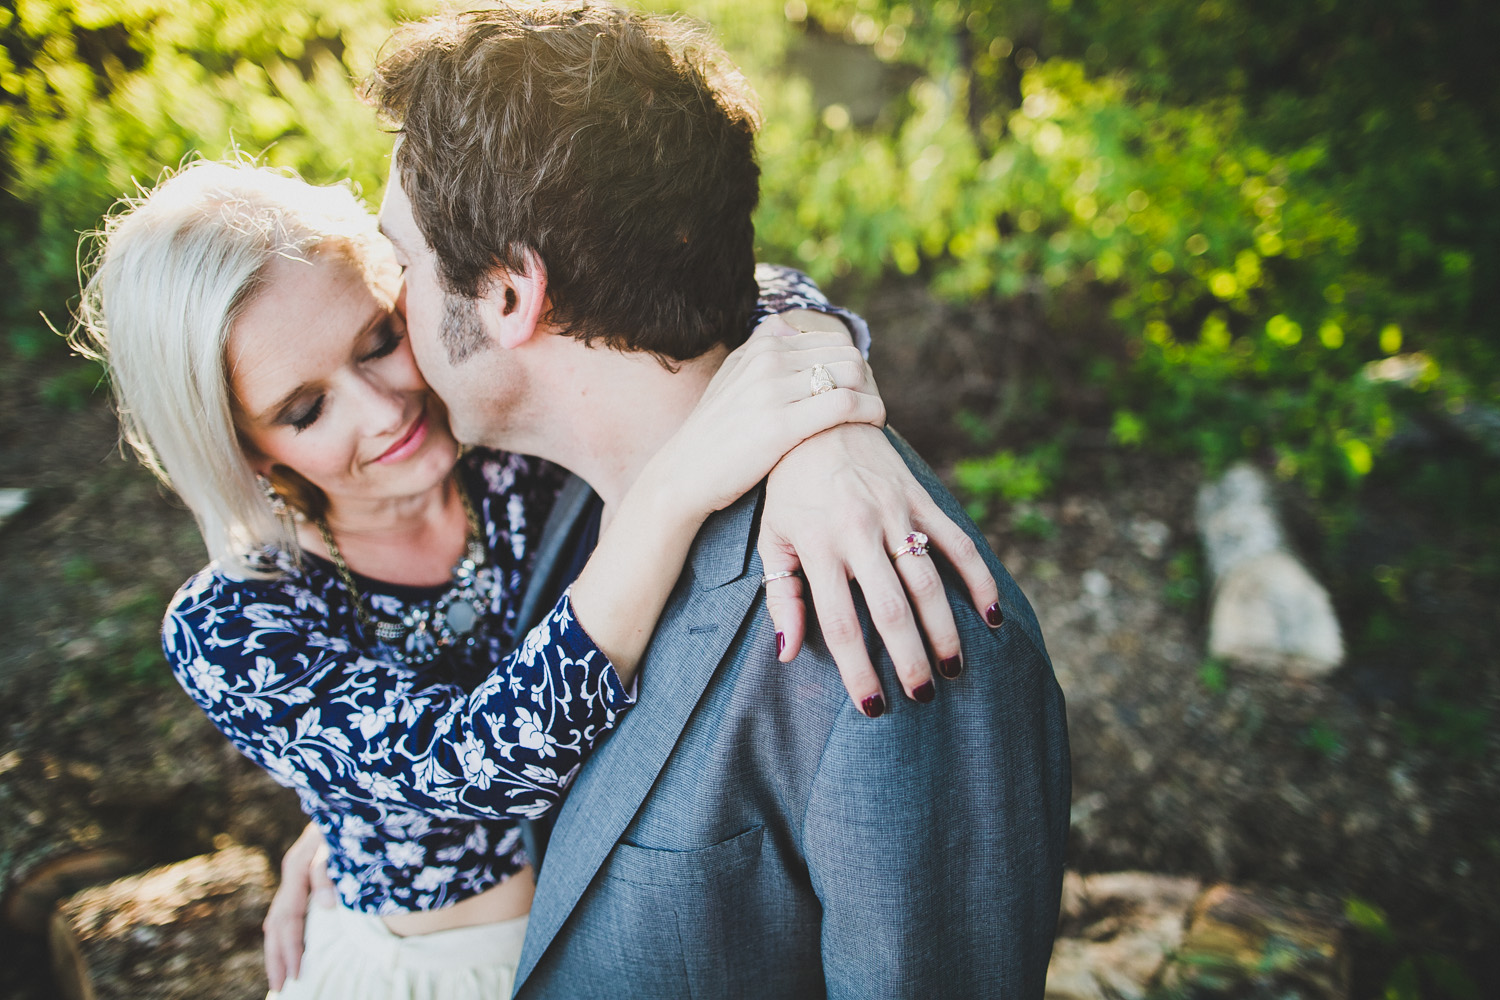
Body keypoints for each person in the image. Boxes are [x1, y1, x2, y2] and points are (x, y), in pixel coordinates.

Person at [74, 159, 1002, 997]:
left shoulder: (506, 446)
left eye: (378, 338)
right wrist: (670, 496)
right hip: (427, 975)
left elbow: (739, 297)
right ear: (246, 451)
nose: (385, 404)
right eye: (306, 408)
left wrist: (824, 438)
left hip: (612, 921)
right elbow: (472, 766)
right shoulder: (234, 622)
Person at [350, 3, 1073, 996]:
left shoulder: (889, 627)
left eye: (404, 262)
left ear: (511, 296)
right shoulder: (535, 498)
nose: (386, 301)